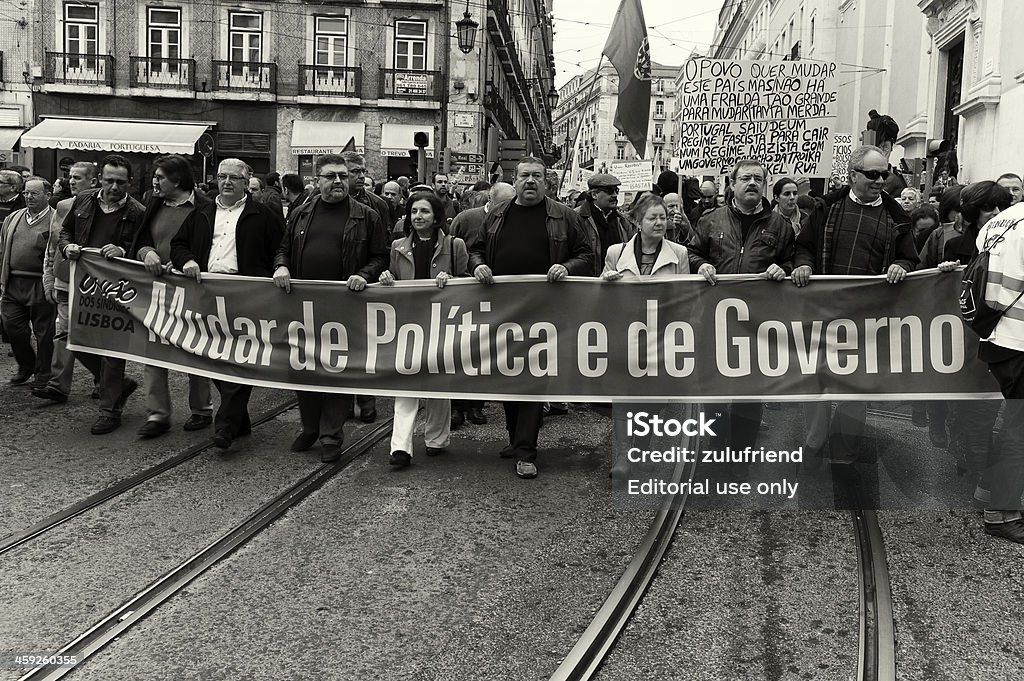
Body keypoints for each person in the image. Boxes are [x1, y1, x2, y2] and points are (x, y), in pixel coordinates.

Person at [469, 156, 593, 479]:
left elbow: (586, 256)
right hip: (505, 311)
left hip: (545, 313)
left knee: (534, 377)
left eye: (537, 176)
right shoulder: (498, 214)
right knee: (510, 375)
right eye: (524, 176)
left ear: (546, 182)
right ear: (514, 179)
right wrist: (478, 265)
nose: (530, 182)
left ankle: (526, 451)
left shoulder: (564, 217)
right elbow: (475, 249)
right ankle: (515, 440)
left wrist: (567, 267)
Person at [793, 145, 918, 462]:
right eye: (873, 174)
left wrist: (901, 264)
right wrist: (804, 264)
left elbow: (909, 257)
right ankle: (815, 438)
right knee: (815, 378)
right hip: (823, 312)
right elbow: (804, 246)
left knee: (858, 384)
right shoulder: (826, 210)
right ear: (852, 176)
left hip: (868, 319)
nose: (880, 180)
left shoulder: (897, 219)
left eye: (884, 174)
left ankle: (843, 447)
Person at [273, 153, 389, 461]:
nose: (338, 181)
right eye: (330, 176)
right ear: (316, 180)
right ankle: (310, 427)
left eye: (342, 175)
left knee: (336, 373)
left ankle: (331, 437)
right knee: (304, 370)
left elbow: (381, 256)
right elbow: (283, 248)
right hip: (303, 309)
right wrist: (281, 266)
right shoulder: (301, 213)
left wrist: (363, 275)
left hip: (345, 309)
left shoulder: (368, 215)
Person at [688, 159, 795, 475]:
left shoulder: (780, 226)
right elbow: (693, 252)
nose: (752, 183)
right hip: (717, 318)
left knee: (750, 388)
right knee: (715, 386)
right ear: (731, 185)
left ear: (764, 186)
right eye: (745, 178)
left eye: (758, 179)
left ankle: (742, 451)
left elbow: (793, 259)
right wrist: (700, 265)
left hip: (758, 321)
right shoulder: (710, 221)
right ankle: (717, 446)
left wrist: (785, 269)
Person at [170, 158, 284, 449]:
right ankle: (239, 419)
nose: (227, 182)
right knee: (214, 356)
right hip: (207, 295)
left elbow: (282, 248)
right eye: (222, 176)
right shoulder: (202, 213)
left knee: (241, 358)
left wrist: (279, 268)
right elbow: (178, 245)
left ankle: (225, 426)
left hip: (247, 296)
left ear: (247, 182)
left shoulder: (265, 214)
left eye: (234, 177)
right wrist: (188, 261)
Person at [378, 191, 469, 467]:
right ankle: (400, 447)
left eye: (425, 211)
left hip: (442, 322)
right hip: (408, 323)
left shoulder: (455, 246)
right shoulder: (397, 247)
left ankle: (436, 439)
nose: (418, 216)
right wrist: (386, 277)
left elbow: (467, 284)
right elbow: (393, 277)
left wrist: (451, 279)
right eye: (414, 211)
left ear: (436, 216)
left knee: (439, 383)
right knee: (405, 382)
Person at [953, 188, 1024, 542]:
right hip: (1020, 340)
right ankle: (1001, 513)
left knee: (1012, 422)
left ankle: (988, 493)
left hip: (998, 338)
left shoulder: (999, 222)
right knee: (1018, 430)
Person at [59, 154, 145, 434]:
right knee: (74, 338)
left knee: (112, 349)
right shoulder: (83, 200)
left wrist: (123, 251)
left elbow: (144, 247)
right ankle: (119, 385)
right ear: (100, 180)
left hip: (117, 290)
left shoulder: (137, 212)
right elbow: (65, 233)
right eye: (109, 180)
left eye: (121, 182)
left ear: (130, 183)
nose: (115, 187)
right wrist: (67, 247)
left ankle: (110, 411)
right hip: (84, 286)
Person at [131, 155, 214, 438]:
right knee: (154, 351)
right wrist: (147, 253)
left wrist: (184, 264)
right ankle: (157, 415)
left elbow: (210, 248)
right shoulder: (153, 204)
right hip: (154, 290)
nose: (154, 181)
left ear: (177, 180)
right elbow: (140, 241)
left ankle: (201, 410)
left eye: (160, 177)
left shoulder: (204, 208)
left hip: (190, 290)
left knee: (195, 348)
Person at [447, 181, 516, 428]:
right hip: (466, 295)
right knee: (461, 351)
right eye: (503, 204)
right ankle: (457, 407)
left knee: (484, 354)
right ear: (491, 201)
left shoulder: (515, 218)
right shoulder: (466, 219)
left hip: (497, 297)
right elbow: (452, 248)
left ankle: (476, 405)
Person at [35, 162, 99, 403]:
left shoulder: (100, 206)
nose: (71, 181)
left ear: (93, 181)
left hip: (91, 284)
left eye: (78, 178)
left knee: (91, 334)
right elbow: (52, 247)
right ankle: (58, 385)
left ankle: (105, 380)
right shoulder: (61, 206)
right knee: (63, 332)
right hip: (64, 279)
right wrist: (48, 276)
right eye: (70, 177)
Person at [0, 177, 56, 388]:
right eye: (26, 193)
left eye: (34, 193)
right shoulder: (13, 218)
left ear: (48, 195)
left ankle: (43, 376)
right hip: (13, 282)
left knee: (44, 334)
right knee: (12, 327)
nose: (28, 197)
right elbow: (2, 249)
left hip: (41, 284)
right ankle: (26, 365)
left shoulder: (55, 220)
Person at [601, 193, 688, 280]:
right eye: (652, 218)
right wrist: (607, 280)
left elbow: (685, 291)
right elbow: (601, 290)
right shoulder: (615, 253)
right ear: (638, 223)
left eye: (662, 218)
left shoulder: (679, 252)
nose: (659, 223)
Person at [576, 174, 631, 276]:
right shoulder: (577, 217)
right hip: (589, 283)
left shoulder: (622, 220)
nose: (614, 195)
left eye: (616, 191)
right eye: (609, 191)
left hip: (617, 281)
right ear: (594, 195)